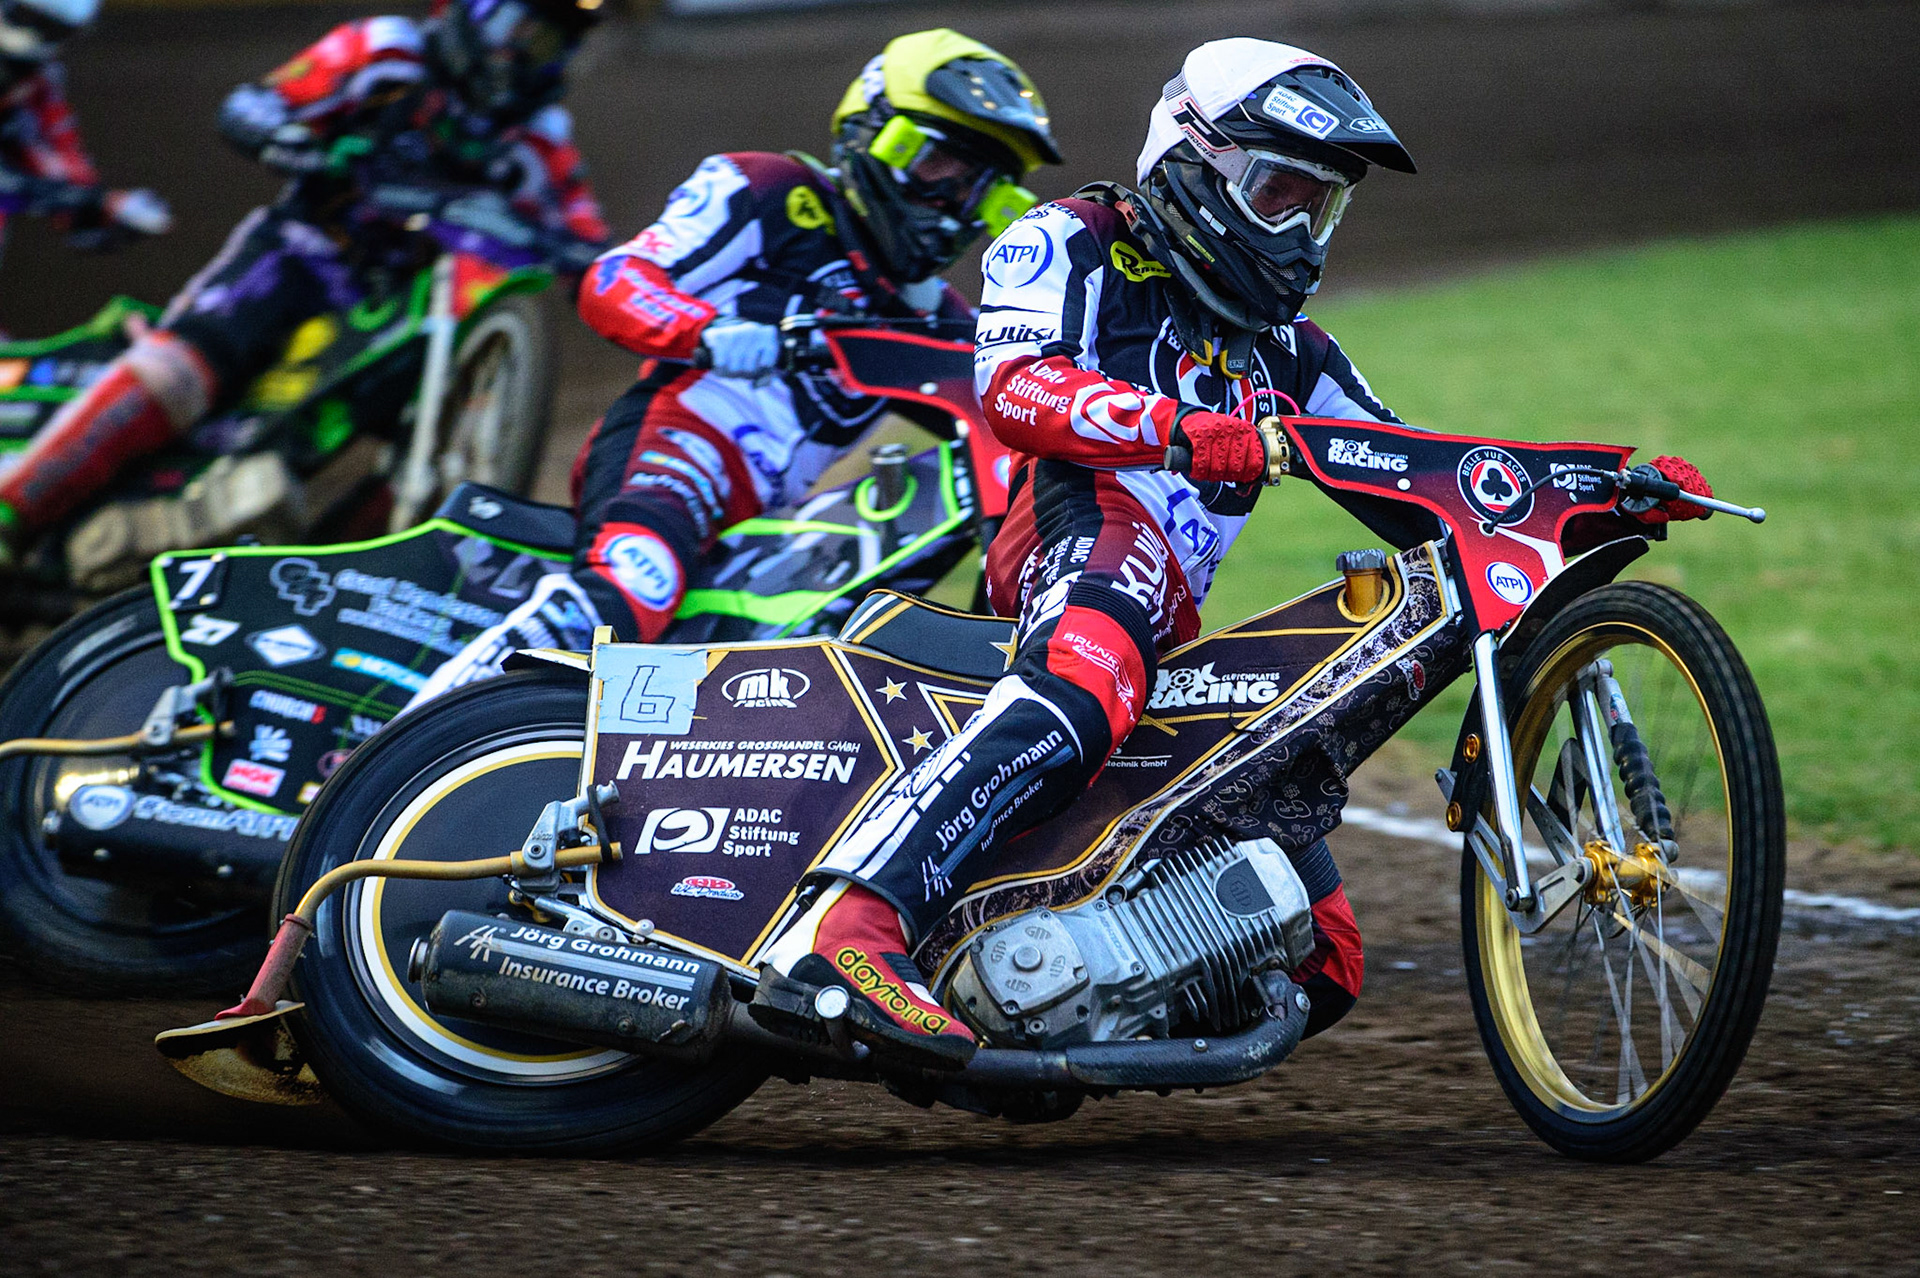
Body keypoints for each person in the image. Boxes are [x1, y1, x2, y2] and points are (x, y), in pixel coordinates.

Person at [760, 38, 1718, 1069]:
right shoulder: (1071, 240)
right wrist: (1177, 429)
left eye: (1322, 207)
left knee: (1326, 962)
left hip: (1170, 620)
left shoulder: (1294, 350)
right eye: (1279, 194)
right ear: (1193, 160)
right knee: (1093, 663)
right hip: (1076, 530)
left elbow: (1415, 474)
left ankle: (1062, 986)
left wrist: (1590, 491)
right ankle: (847, 933)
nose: (1301, 232)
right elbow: (1014, 389)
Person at [0, 0, 608, 565]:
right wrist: (292, 135)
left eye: (550, 41)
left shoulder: (537, 135)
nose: (528, 52)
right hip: (302, 252)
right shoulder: (390, 51)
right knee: (187, 365)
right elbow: (261, 103)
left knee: (406, 430)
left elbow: (588, 239)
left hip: (401, 306)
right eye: (519, 29)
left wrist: (621, 273)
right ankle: (13, 509)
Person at [558, 27, 1059, 644]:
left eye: (984, 189)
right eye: (937, 164)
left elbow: (1007, 422)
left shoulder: (939, 321)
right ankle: (436, 722)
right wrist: (708, 332)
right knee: (636, 589)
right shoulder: (768, 189)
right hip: (677, 446)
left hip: (766, 519)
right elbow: (614, 279)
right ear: (870, 131)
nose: (956, 204)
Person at [0, 0, 170, 265]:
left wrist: (104, 215)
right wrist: (89, 200)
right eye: (30, 20)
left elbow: (60, 160)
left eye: (53, 30)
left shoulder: (36, 80)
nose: (34, 38)